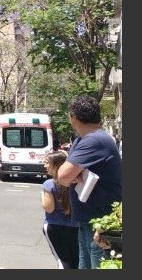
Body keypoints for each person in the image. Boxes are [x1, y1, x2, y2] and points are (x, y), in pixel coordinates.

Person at [57, 95, 122, 269]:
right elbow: (66, 174)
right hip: (88, 220)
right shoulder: (82, 140)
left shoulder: (94, 140)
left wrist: (72, 174)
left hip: (100, 225)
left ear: (73, 118)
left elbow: (63, 176)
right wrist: (72, 173)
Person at [42, 150, 79, 269]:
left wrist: (43, 196)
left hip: (55, 226)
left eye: (47, 163)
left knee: (62, 262)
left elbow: (49, 208)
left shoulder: (49, 184)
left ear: (56, 165)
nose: (45, 165)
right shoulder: (75, 182)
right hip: (75, 226)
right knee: (76, 261)